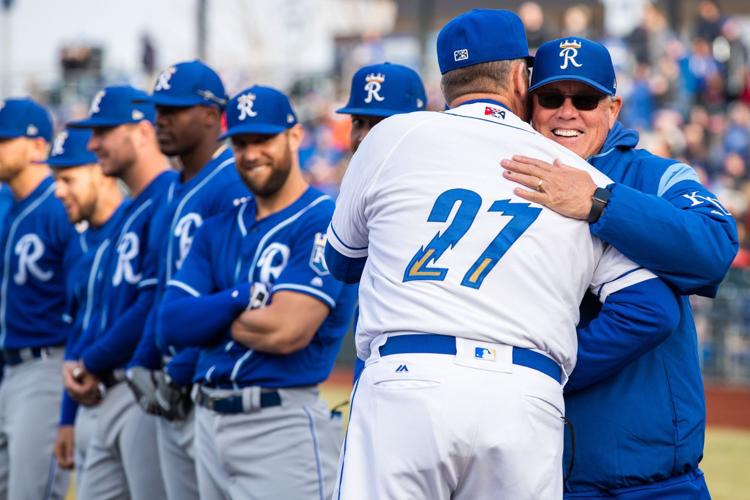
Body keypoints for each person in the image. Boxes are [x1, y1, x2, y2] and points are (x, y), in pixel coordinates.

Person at [325, 9, 680, 499]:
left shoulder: (391, 136)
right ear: (520, 76)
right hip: (523, 393)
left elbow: (342, 262)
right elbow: (652, 307)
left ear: (446, 81)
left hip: (407, 382)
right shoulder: (574, 176)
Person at [501, 37, 738, 499]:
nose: (567, 112)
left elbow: (714, 248)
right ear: (531, 106)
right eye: (551, 98)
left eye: (585, 99)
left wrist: (599, 202)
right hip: (549, 477)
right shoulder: (507, 180)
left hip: (658, 481)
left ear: (613, 108)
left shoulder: (658, 176)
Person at [157, 85, 356, 500]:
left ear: (294, 136)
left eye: (263, 139)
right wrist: (239, 297)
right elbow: (171, 323)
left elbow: (286, 331)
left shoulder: (323, 219)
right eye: (241, 142)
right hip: (207, 422)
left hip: (280, 424)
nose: (250, 153)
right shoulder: (219, 226)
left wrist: (209, 318)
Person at [128, 59, 250, 500]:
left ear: (209, 115)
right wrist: (144, 359)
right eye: (157, 109)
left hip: (207, 382)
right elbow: (162, 289)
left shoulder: (232, 182)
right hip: (169, 385)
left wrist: (180, 368)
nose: (159, 120)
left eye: (173, 110)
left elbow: (231, 292)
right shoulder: (174, 188)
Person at [65, 85, 172, 500]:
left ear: (143, 133)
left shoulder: (167, 197)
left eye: (104, 131)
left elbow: (150, 305)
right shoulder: (127, 212)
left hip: (142, 387)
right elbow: (100, 310)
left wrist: (88, 360)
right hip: (105, 389)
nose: (93, 144)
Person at [0, 97, 75, 499]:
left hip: (47, 366)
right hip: (10, 368)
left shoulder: (59, 206)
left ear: (37, 146)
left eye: (4, 140)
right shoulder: (12, 209)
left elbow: (82, 297)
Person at [336, 61, 427, 381]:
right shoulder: (361, 195)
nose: (363, 137)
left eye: (379, 124)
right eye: (357, 122)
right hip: (376, 359)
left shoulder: (429, 194)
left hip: (423, 361)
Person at [48, 127, 128, 486]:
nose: (58, 190)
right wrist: (67, 418)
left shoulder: (136, 225)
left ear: (100, 169)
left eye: (67, 178)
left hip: (134, 393)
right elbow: (77, 335)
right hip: (89, 401)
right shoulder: (78, 246)